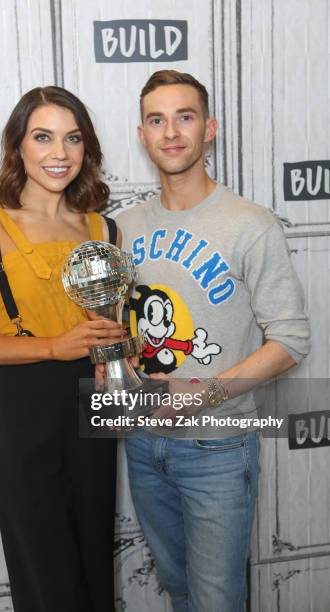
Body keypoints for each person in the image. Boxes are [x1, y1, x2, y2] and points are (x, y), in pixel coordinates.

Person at [0, 86, 123, 612]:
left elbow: (107, 329)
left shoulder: (104, 227)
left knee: (95, 563)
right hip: (25, 407)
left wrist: (113, 354)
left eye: (72, 138)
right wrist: (56, 347)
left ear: (87, 148)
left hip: (92, 407)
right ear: (18, 148)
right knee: (45, 573)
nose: (60, 153)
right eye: (43, 137)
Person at [116, 70, 310, 612]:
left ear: (210, 129)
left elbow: (291, 340)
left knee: (216, 601)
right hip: (144, 444)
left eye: (185, 116)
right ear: (143, 134)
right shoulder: (121, 229)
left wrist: (204, 393)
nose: (171, 131)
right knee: (179, 593)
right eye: (157, 120)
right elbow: (123, 327)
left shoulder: (250, 224)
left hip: (218, 447)